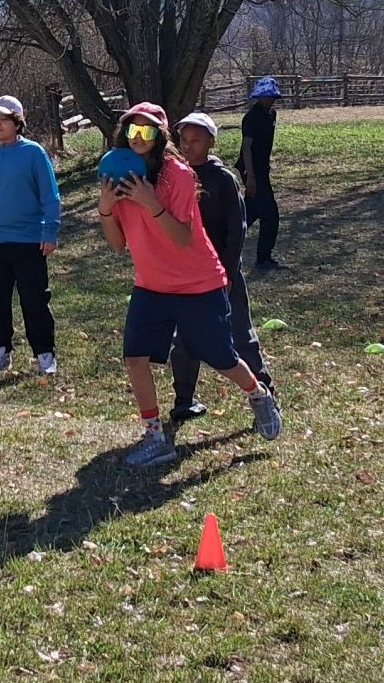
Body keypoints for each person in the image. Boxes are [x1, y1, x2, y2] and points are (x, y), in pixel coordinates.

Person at [97, 103, 278, 467]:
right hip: (151, 284)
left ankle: (258, 394)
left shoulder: (178, 174)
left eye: (147, 131)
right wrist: (105, 206)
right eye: (132, 130)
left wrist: (150, 202)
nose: (138, 138)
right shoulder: (118, 174)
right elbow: (117, 244)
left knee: (219, 356)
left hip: (199, 283)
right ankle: (155, 437)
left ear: (160, 136)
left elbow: (182, 237)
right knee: (134, 358)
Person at [164, 112, 279, 424]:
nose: (188, 146)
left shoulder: (223, 179)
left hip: (222, 273)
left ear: (211, 142)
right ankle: (184, 400)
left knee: (240, 336)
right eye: (183, 140)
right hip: (187, 275)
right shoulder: (175, 176)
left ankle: (265, 393)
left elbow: (237, 228)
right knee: (183, 340)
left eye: (196, 140)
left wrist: (228, 270)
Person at [0, 94, 63, 375]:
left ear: (18, 123)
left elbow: (50, 196)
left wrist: (50, 231)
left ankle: (45, 355)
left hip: (29, 241)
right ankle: (0, 351)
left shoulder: (33, 153)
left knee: (34, 300)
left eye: (4, 119)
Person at [239, 78, 284, 270]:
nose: (270, 99)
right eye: (266, 96)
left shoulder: (272, 114)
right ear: (259, 96)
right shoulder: (252, 117)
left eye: (272, 96)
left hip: (262, 169)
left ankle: (223, 239)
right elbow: (246, 147)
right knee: (270, 214)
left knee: (249, 212)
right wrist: (250, 177)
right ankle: (263, 258)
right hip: (251, 169)